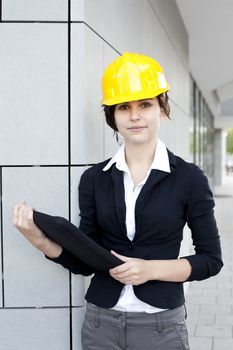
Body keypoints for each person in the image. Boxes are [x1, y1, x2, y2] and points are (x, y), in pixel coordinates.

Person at [13, 52, 223, 350]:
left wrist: (150, 270)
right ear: (112, 116)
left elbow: (210, 260)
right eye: (124, 107)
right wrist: (40, 241)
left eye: (145, 104)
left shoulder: (189, 178)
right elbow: (86, 260)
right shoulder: (94, 179)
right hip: (101, 324)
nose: (134, 115)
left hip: (161, 326)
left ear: (162, 110)